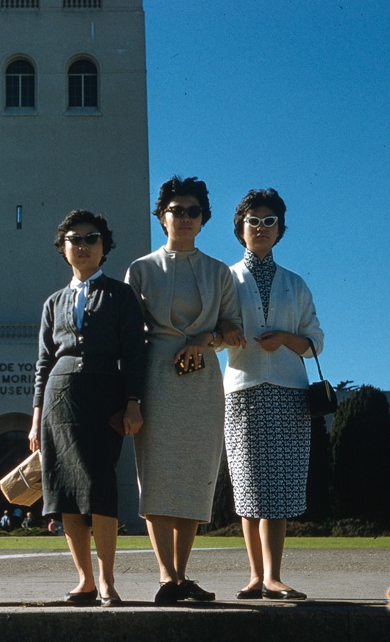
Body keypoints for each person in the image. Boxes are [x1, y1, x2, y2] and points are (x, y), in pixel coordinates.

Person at [124, 176, 243, 604]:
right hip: (155, 378)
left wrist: (205, 340)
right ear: (162, 217)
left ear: (203, 219)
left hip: (202, 382)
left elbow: (234, 328)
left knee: (195, 475)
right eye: (177, 210)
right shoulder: (140, 270)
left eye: (194, 211)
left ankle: (180, 575)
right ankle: (167, 578)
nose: (185, 218)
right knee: (156, 476)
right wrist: (131, 397)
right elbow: (129, 338)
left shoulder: (219, 273)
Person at [29, 209, 146, 608]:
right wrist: (35, 418)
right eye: (74, 239)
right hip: (58, 402)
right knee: (63, 492)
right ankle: (83, 581)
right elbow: (43, 363)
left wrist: (133, 401)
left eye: (91, 238)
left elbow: (134, 351)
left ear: (104, 247)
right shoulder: (53, 302)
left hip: (103, 398)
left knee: (99, 485)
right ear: (63, 248)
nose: (82, 245)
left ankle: (108, 581)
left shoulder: (120, 294)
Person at [222, 188, 323, 601]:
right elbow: (215, 332)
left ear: (280, 230)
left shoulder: (295, 284)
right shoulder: (226, 279)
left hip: (289, 393)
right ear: (240, 229)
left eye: (269, 222)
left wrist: (284, 337)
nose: (261, 228)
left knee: (279, 489)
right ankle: (253, 574)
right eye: (253, 221)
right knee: (249, 487)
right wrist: (226, 337)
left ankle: (274, 576)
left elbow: (315, 340)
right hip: (243, 391)